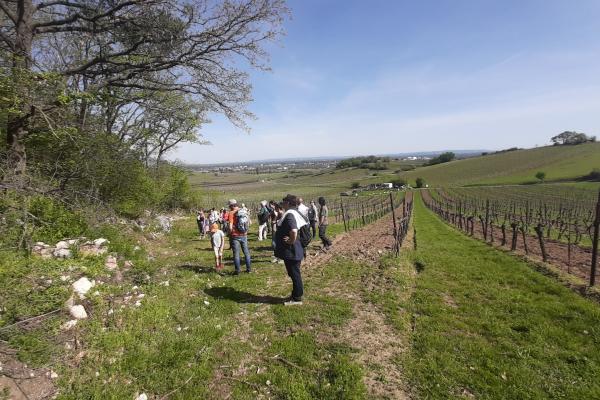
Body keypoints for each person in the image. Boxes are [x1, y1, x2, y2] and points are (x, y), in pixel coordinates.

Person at [275, 194, 307, 305]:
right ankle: (295, 295)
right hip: (295, 249)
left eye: (284, 201)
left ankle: (297, 298)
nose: (282, 203)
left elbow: (293, 230)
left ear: (288, 203)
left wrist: (290, 241)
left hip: (292, 250)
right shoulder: (295, 212)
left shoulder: (289, 215)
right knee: (294, 273)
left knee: (294, 273)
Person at [227, 199, 252, 274]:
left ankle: (237, 270)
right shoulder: (243, 211)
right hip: (244, 234)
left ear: (231, 206)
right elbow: (250, 222)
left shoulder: (231, 213)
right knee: (246, 252)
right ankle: (249, 269)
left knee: (236, 254)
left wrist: (229, 233)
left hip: (235, 236)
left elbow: (230, 227)